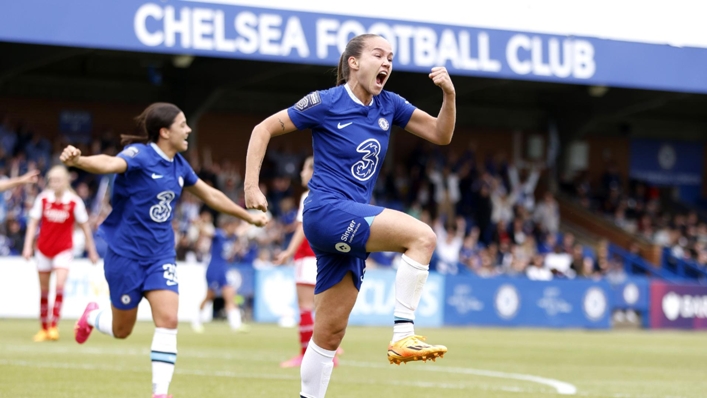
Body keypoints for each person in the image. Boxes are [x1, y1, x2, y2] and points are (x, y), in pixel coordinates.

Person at [244, 34, 456, 398]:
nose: (387, 62)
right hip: (326, 210)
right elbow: (262, 128)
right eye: (378, 54)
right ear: (353, 62)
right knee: (422, 237)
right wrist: (251, 186)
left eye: (391, 57)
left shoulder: (389, 104)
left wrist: (449, 97)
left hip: (347, 223)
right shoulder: (325, 102)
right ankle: (404, 335)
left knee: (328, 335)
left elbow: (440, 133)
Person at [61, 102, 268, 398]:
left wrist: (247, 216)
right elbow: (109, 164)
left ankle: (160, 393)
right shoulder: (140, 156)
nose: (188, 129)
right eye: (183, 124)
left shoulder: (179, 165)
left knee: (169, 319)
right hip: (126, 256)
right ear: (164, 132)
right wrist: (80, 161)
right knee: (122, 330)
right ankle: (93, 315)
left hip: (160, 256)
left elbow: (209, 194)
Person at [22, 165, 99, 342]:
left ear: (65, 181)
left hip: (63, 249)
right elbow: (33, 223)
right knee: (44, 290)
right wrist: (28, 246)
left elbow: (85, 227)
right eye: (52, 181)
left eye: (58, 180)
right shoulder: (43, 199)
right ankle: (43, 328)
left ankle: (54, 326)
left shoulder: (74, 202)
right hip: (43, 248)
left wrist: (91, 250)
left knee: (59, 286)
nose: (54, 184)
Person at [273, 156, 331, 368]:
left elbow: (303, 227)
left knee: (306, 307)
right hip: (327, 257)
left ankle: (306, 355)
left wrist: (288, 251)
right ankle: (328, 354)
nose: (301, 174)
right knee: (324, 308)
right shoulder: (334, 194)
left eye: (305, 169)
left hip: (308, 256)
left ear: (314, 172)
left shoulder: (309, 195)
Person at [191, 215, 248, 333]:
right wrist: (198, 223)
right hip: (213, 269)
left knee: (230, 295)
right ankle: (196, 320)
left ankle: (235, 324)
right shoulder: (219, 235)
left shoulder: (232, 237)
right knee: (209, 297)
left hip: (224, 270)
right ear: (228, 226)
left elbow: (243, 229)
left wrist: (254, 219)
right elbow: (207, 231)